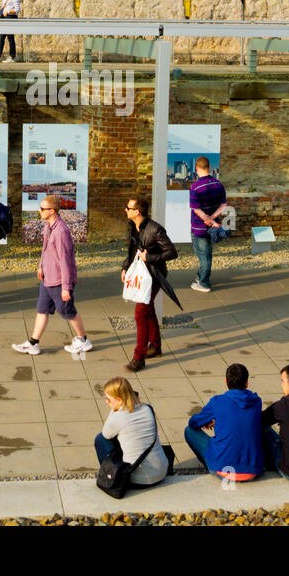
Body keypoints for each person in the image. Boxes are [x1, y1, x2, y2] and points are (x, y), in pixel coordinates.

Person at [13, 195, 92, 356]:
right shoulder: (48, 226)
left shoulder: (61, 231)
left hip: (58, 281)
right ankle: (33, 343)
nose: (39, 211)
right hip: (47, 278)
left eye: (42, 209)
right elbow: (45, 248)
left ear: (52, 211)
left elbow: (65, 261)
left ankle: (83, 340)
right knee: (41, 310)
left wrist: (66, 287)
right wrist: (40, 265)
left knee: (68, 312)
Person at [119, 196, 178, 372]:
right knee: (147, 309)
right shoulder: (133, 226)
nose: (125, 210)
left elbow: (172, 252)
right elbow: (132, 249)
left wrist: (150, 257)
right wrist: (125, 268)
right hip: (140, 274)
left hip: (153, 275)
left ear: (137, 212)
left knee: (140, 314)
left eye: (128, 208)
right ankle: (156, 346)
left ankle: (139, 357)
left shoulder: (155, 229)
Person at [185, 363, 266, 482]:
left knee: (189, 431)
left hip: (223, 470)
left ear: (226, 381)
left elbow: (193, 423)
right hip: (252, 471)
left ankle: (210, 464)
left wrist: (211, 419)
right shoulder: (256, 401)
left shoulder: (218, 402)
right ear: (247, 383)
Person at [96, 376, 169, 489]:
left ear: (119, 400)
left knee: (100, 439)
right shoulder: (148, 408)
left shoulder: (117, 417)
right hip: (162, 472)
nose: (106, 402)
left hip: (138, 479)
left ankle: (110, 477)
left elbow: (106, 434)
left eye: (109, 399)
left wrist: (113, 409)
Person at [188, 156, 227, 293]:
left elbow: (196, 209)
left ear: (196, 168)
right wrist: (212, 219)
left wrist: (207, 219)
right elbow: (223, 205)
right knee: (207, 254)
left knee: (204, 256)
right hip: (213, 226)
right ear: (209, 168)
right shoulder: (218, 184)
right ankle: (201, 278)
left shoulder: (195, 187)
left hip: (199, 228)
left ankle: (203, 283)